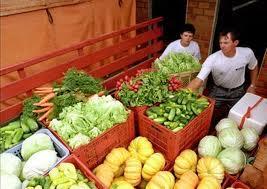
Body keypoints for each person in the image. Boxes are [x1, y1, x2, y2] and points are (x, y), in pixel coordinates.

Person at [187, 27, 258, 119]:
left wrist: (252, 85)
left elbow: (254, 66)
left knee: (238, 116)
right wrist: (183, 93)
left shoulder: (247, 53)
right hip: (218, 91)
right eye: (220, 43)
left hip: (238, 91)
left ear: (235, 43)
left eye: (226, 43)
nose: (222, 46)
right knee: (206, 114)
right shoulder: (212, 59)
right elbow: (198, 79)